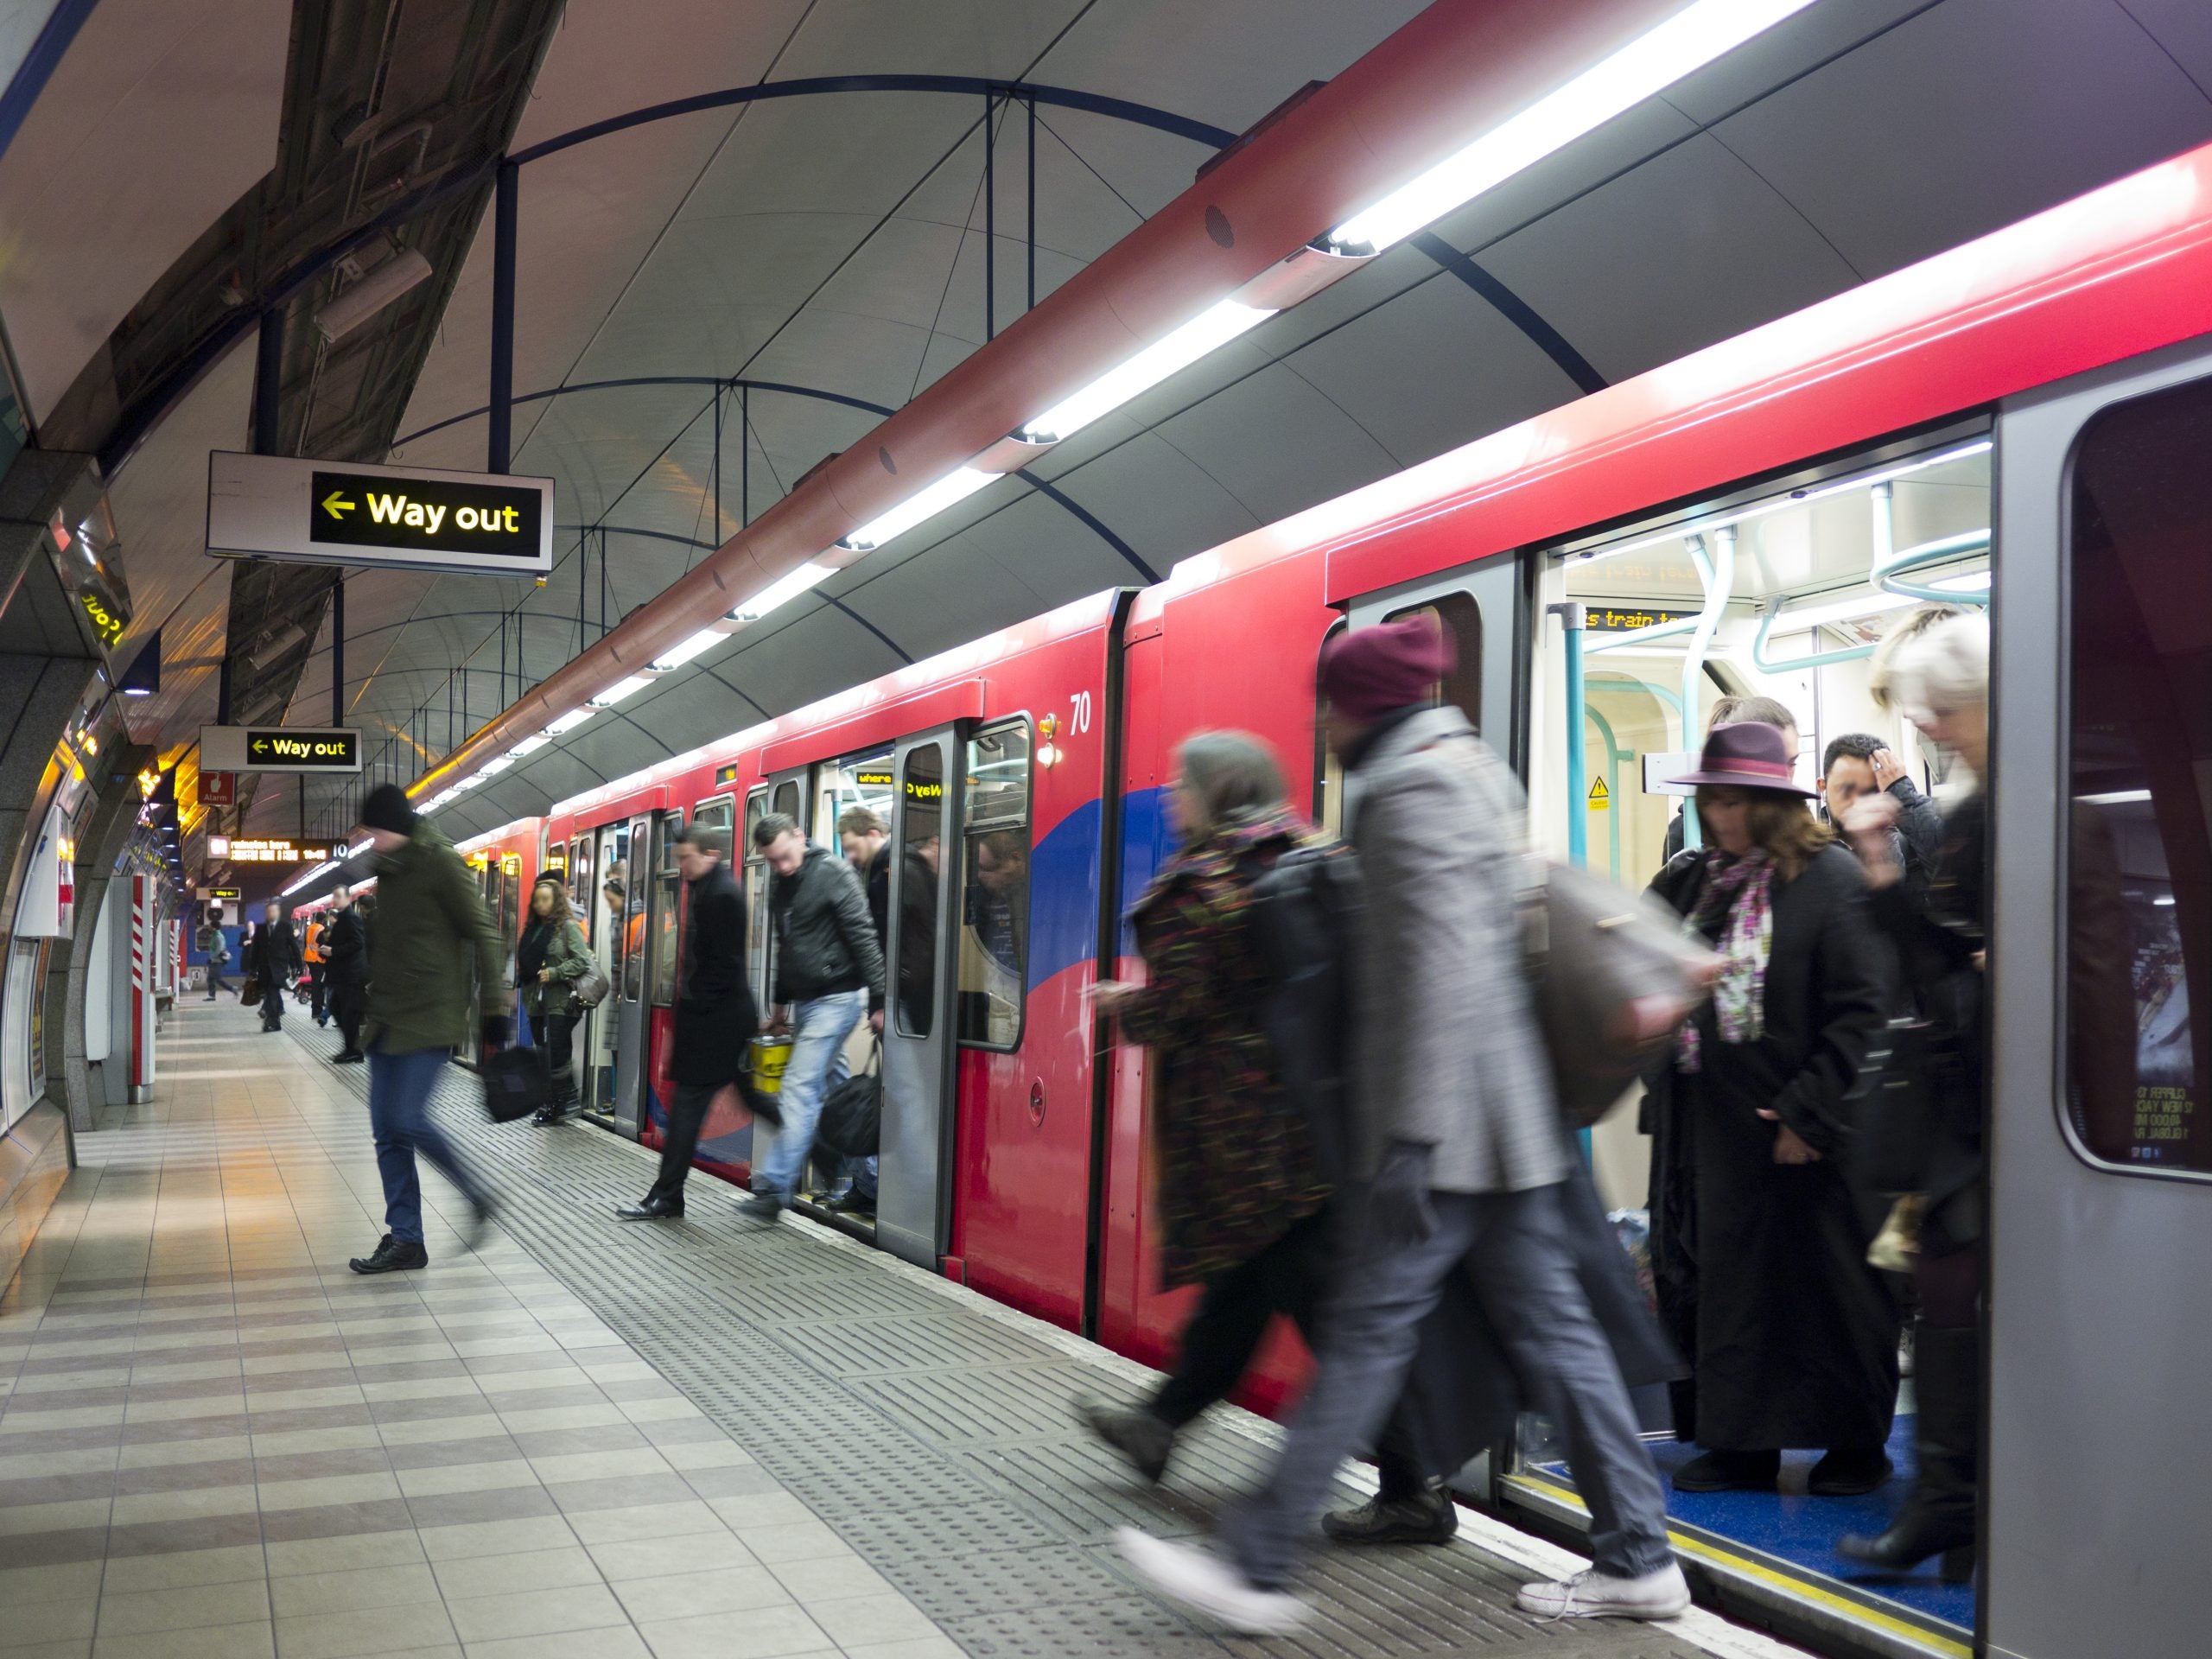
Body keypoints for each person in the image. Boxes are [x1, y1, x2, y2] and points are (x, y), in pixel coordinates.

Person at [1118, 616, 1688, 1632]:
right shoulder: (1465, 764)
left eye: (1325, 707)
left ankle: (1256, 1563)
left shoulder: (1407, 791)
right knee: (1557, 1337)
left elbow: (1437, 974)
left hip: (1451, 1132)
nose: (1319, 725)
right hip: (1505, 1128)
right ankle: (1639, 1557)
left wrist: (1412, 1142)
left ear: (1352, 706)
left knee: (1373, 1333)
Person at [1078, 733, 1454, 1535]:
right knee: (1250, 1287)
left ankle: (1414, 1490)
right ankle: (1160, 1422)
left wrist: (1120, 1005)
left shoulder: (1197, 887)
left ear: (1214, 791)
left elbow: (1180, 1008)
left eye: (1181, 787)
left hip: (1243, 1136)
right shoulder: (1319, 850)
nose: (1174, 801)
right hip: (1322, 1124)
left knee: (1323, 1312)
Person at [1645, 721, 1897, 1497]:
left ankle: (1854, 1443)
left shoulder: (1831, 883)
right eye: (1712, 802)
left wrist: (1807, 1112)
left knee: (1830, 1290)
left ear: (1772, 804)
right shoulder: (1693, 883)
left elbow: (1867, 1009)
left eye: (1737, 802)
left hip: (1807, 1131)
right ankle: (1738, 1441)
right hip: (1710, 1127)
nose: (1722, 818)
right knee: (1725, 1287)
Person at [346, 784, 506, 1275]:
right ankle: (406, 1239)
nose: (370, 842)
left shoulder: (441, 863)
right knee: (386, 1132)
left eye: (374, 832)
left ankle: (475, 1194)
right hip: (389, 1019)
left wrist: (494, 1010)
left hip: (432, 1016)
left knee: (406, 1119)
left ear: (393, 826)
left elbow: (484, 932)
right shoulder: (389, 870)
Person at [619, 824, 766, 1219]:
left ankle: (668, 1195)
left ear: (710, 854)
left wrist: (692, 1018)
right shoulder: (710, 889)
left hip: (716, 1024)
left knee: (686, 1110)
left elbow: (718, 968)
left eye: (686, 858)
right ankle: (669, 1195)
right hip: (718, 1021)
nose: (681, 867)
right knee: (752, 1101)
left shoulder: (720, 897)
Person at [741, 813, 884, 1219]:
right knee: (834, 1092)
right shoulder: (782, 886)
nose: (782, 867)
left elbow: (864, 937)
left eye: (786, 856)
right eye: (772, 861)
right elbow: (786, 949)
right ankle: (870, 1183)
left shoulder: (834, 874)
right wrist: (780, 1008)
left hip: (838, 999)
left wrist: (879, 1000)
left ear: (800, 837)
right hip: (806, 1004)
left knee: (799, 1086)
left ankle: (774, 1186)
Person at [832, 805, 892, 1216]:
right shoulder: (875, 870)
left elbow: (880, 945)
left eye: (853, 848)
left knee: (875, 1103)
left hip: (889, 1005)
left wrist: (880, 1003)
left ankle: (871, 1188)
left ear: (872, 833)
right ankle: (866, 1186)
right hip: (886, 1003)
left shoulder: (887, 869)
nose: (850, 858)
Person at [1662, 694, 1801, 865]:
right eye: (1772, 765)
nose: (1785, 777)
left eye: (1792, 763)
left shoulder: (1809, 851)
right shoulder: (1687, 842)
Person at [1816, 732, 1942, 900]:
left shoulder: (1910, 847)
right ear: (1822, 786)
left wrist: (1905, 797)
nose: (1857, 804)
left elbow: (1956, 880)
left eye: (1870, 793)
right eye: (1846, 790)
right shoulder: (1809, 856)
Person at [518, 875, 591, 1125]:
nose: (540, 904)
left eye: (546, 899)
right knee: (544, 1053)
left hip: (561, 1000)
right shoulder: (531, 929)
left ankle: (561, 1103)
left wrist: (556, 972)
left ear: (556, 900)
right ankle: (556, 1100)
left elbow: (583, 961)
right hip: (535, 1001)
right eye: (537, 900)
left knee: (557, 1052)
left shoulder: (567, 927)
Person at [323, 885, 367, 1064]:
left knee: (348, 1014)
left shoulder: (351, 918)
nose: (336, 900)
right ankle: (353, 1049)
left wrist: (333, 951)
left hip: (351, 975)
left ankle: (354, 1050)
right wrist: (326, 950)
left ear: (348, 898)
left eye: (339, 896)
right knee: (339, 1009)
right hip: (344, 975)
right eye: (334, 897)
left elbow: (357, 943)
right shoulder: (342, 919)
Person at [247, 900, 302, 1033]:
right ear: (266, 913)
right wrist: (252, 969)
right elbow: (255, 950)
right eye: (269, 911)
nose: (271, 913)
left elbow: (293, 947)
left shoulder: (286, 926)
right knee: (273, 994)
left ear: (278, 912)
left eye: (273, 911)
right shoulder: (260, 928)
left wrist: (297, 965)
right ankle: (276, 1023)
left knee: (272, 993)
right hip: (264, 968)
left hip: (279, 968)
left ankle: (269, 1022)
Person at [302, 909, 328, 1026]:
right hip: (318, 959)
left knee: (315, 984)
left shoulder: (310, 928)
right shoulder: (321, 929)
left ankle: (316, 1009)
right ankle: (317, 1010)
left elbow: (305, 943)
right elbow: (322, 945)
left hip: (309, 958)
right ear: (324, 919)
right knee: (318, 985)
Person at [196, 915, 230, 1000]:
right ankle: (212, 996)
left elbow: (219, 950)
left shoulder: (218, 937)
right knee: (210, 979)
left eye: (210, 926)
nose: (208, 927)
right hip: (214, 960)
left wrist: (212, 957)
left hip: (217, 961)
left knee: (217, 979)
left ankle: (232, 989)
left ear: (214, 928)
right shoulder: (214, 935)